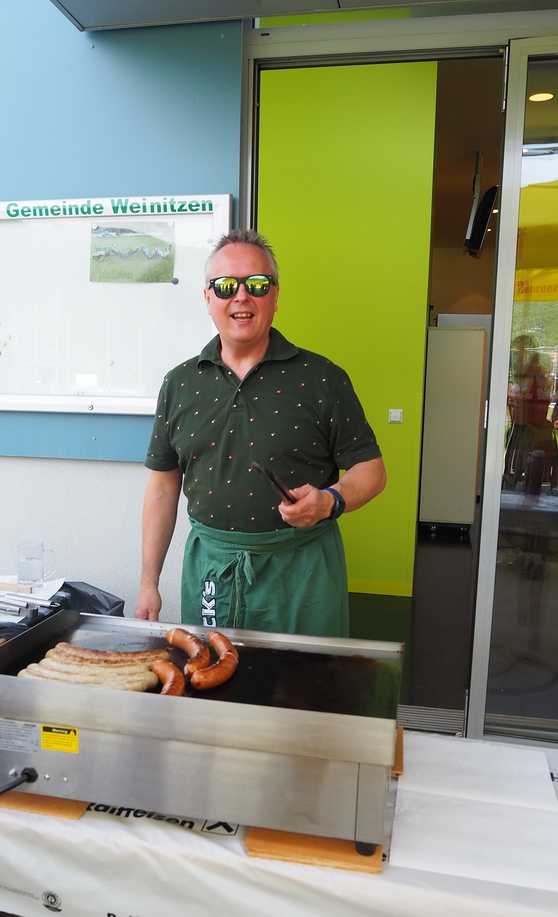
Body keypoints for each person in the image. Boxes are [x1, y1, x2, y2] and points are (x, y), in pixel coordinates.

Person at [135, 230, 386, 637]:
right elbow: (163, 488)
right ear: (207, 298)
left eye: (256, 284)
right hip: (211, 572)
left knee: (303, 677)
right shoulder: (179, 384)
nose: (241, 296)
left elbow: (371, 470)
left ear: (275, 295)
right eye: (225, 286)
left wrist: (330, 501)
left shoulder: (322, 378)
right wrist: (149, 582)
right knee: (213, 673)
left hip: (302, 573)